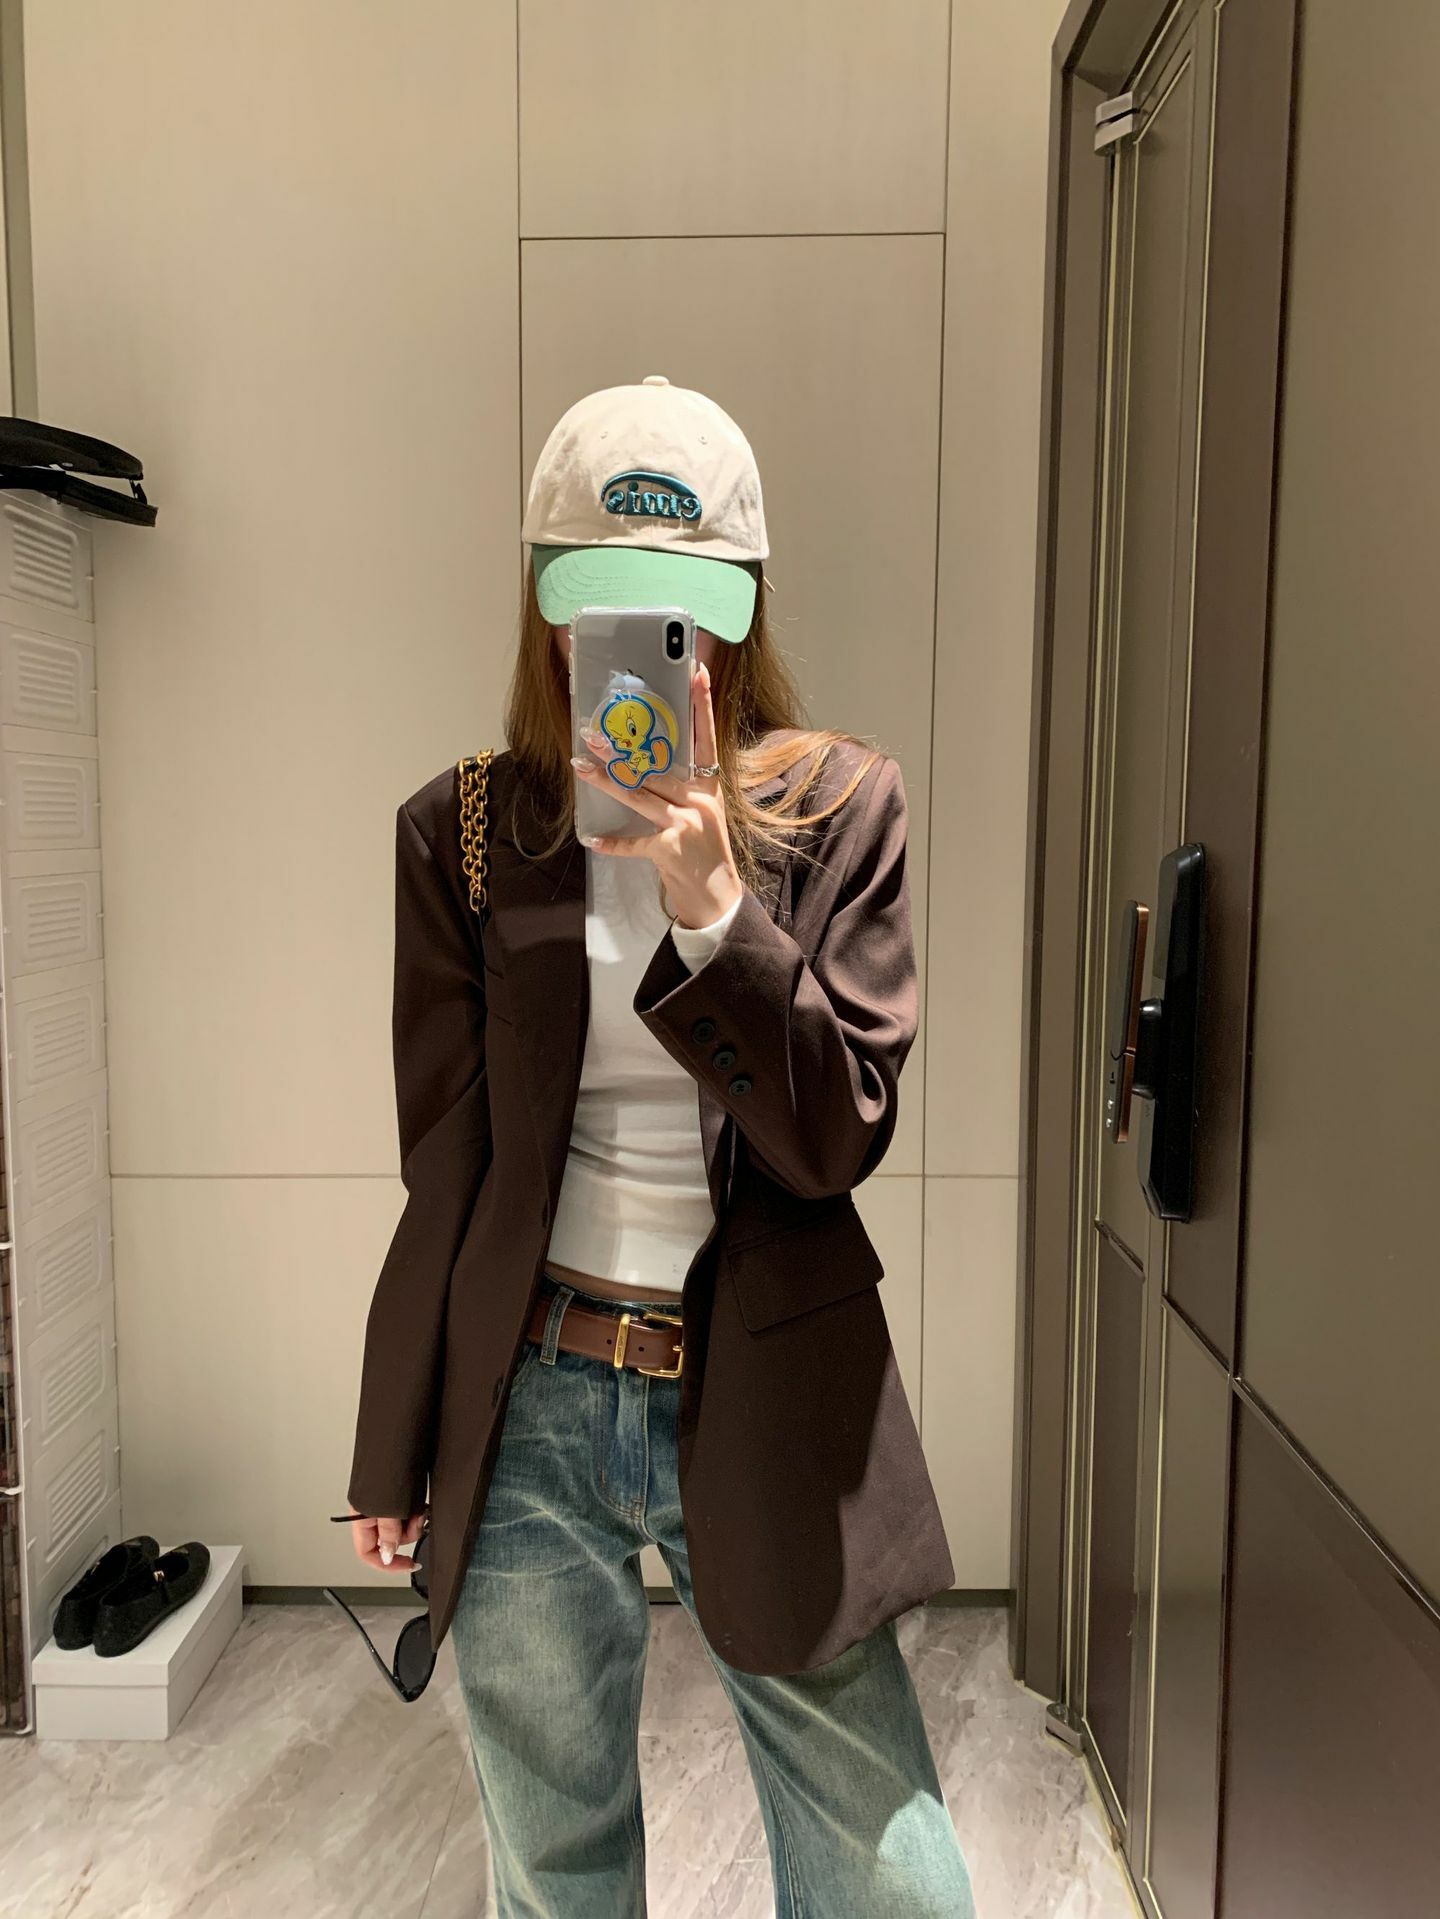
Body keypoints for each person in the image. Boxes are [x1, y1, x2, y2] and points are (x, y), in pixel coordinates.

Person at [343, 374, 975, 1916]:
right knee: (552, 1858)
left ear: (739, 615)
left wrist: (713, 912)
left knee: (887, 1874)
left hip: (759, 1385)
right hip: (532, 1393)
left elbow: (835, 1138)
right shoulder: (465, 833)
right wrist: (394, 1440)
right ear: (548, 611)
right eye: (606, 600)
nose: (645, 640)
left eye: (684, 605)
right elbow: (448, 1173)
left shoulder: (839, 812)